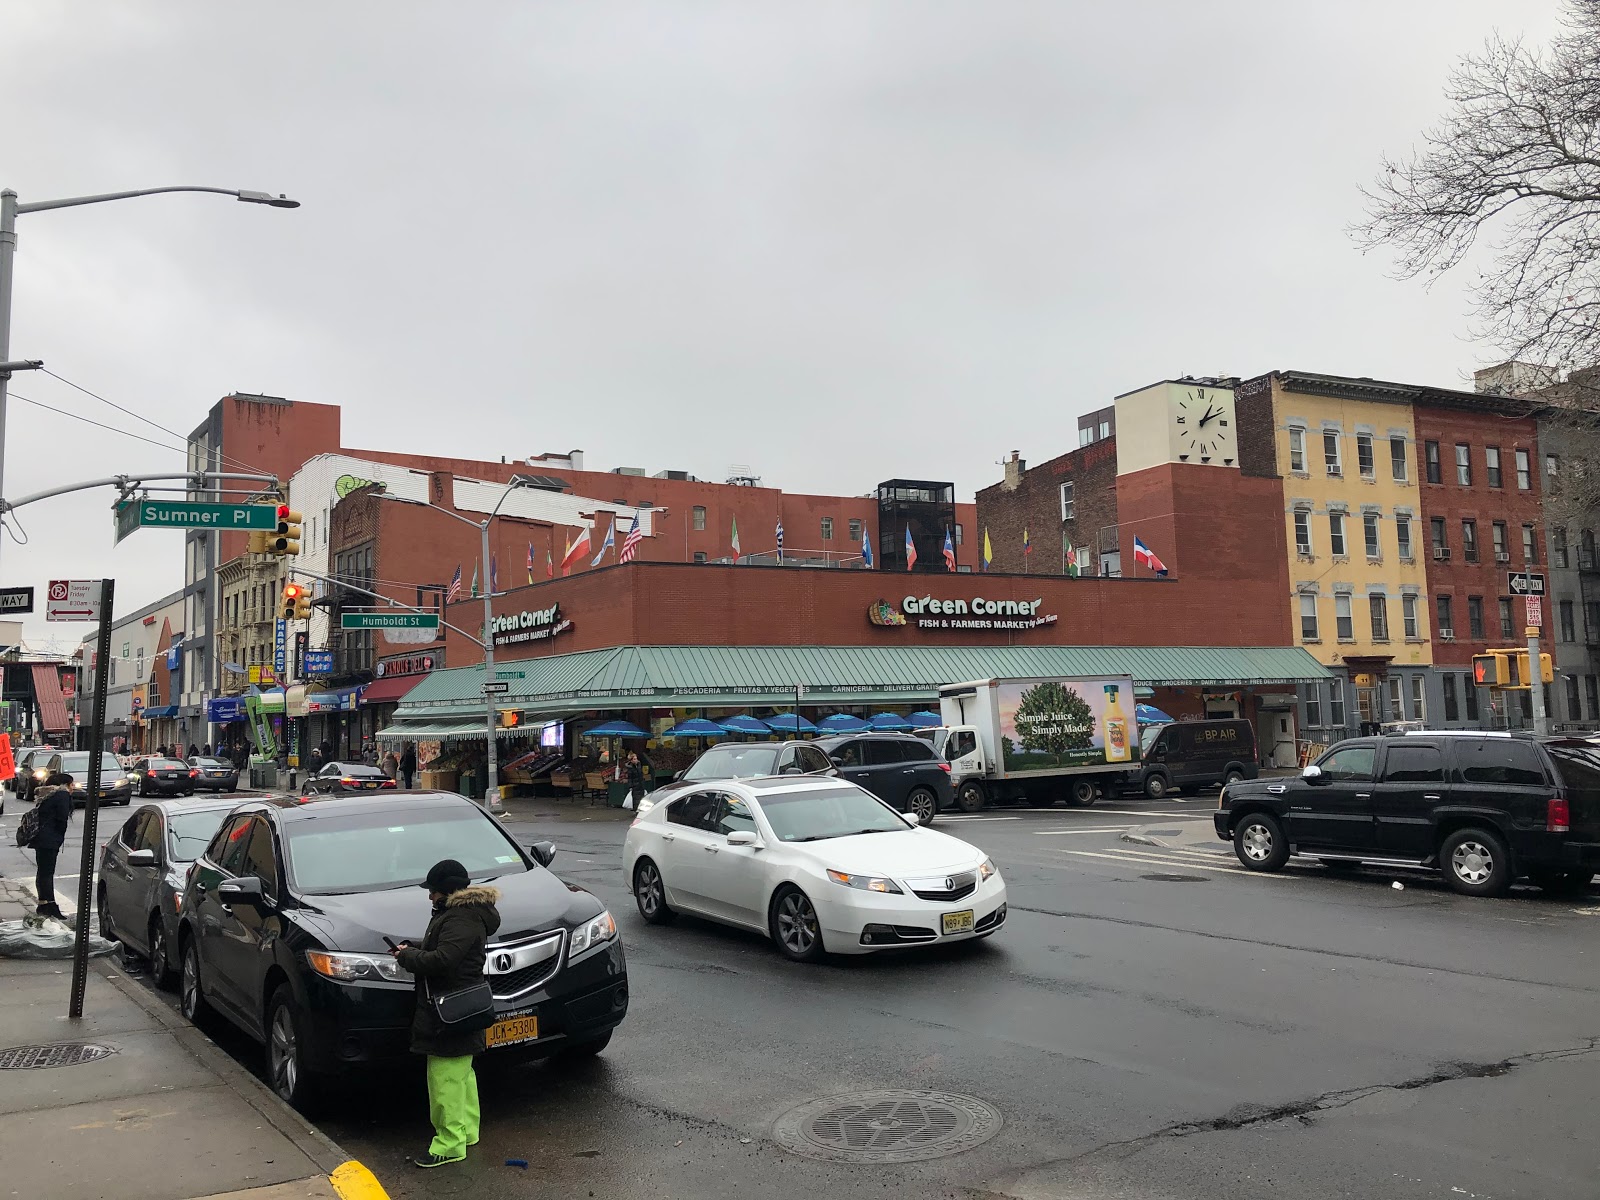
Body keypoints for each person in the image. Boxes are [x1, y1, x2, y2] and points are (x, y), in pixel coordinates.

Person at [392, 860, 501, 1169]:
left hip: (448, 1012)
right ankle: (466, 1132)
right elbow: (447, 949)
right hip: (461, 1007)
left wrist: (408, 957)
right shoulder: (462, 914)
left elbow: (443, 960)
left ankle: (449, 1144)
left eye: (433, 891)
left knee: (444, 1081)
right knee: (461, 1076)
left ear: (447, 891)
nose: (430, 896)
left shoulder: (460, 917)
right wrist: (413, 948)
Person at [31, 772, 74, 920]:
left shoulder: (46, 794)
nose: (73, 788)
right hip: (50, 839)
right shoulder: (62, 795)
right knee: (47, 872)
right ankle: (50, 905)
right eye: (71, 784)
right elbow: (62, 818)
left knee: (42, 872)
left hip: (40, 838)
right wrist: (59, 838)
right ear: (64, 785)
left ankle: (43, 903)